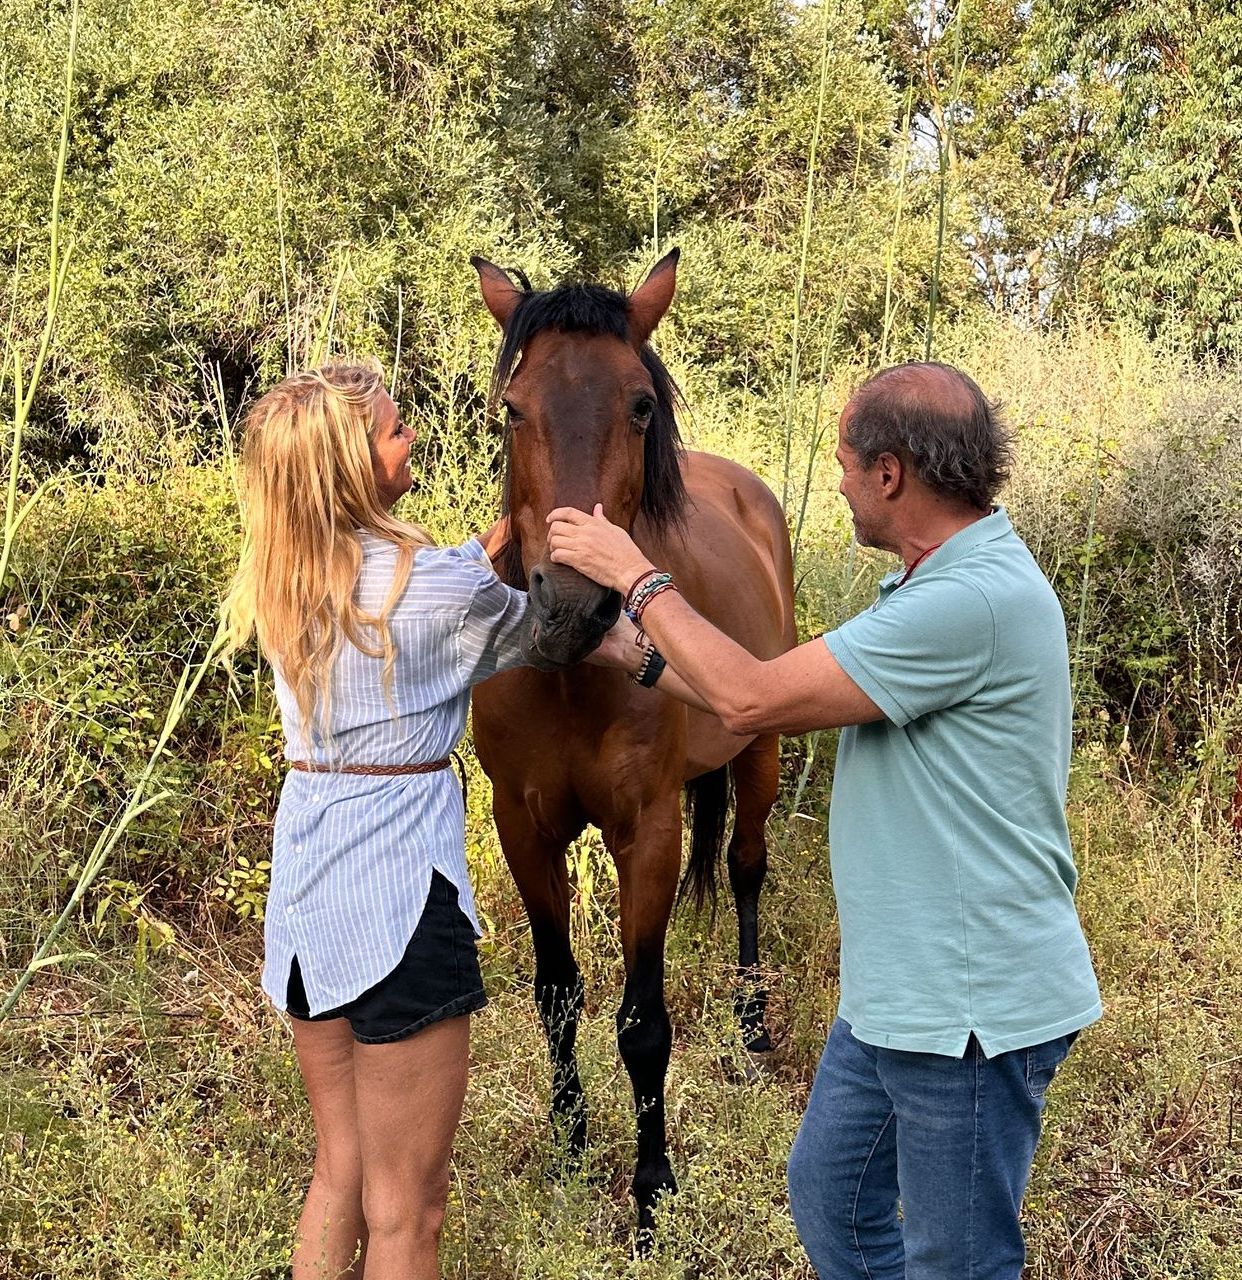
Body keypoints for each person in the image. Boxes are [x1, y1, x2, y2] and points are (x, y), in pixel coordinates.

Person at [545, 360, 1102, 1279]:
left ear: (890, 475)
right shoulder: (935, 589)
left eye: (846, 462)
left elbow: (754, 696)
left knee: (957, 1258)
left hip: (969, 1007)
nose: (838, 481)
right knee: (832, 1201)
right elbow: (748, 703)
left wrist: (637, 576)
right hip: (900, 992)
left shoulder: (970, 603)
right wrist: (634, 658)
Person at [221, 364, 526, 1280]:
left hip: (311, 899)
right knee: (409, 1213)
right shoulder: (432, 592)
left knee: (339, 1173)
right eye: (395, 431)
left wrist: (495, 537)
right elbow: (540, 628)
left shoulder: (284, 578)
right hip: (403, 902)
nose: (411, 440)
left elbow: (430, 586)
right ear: (354, 467)